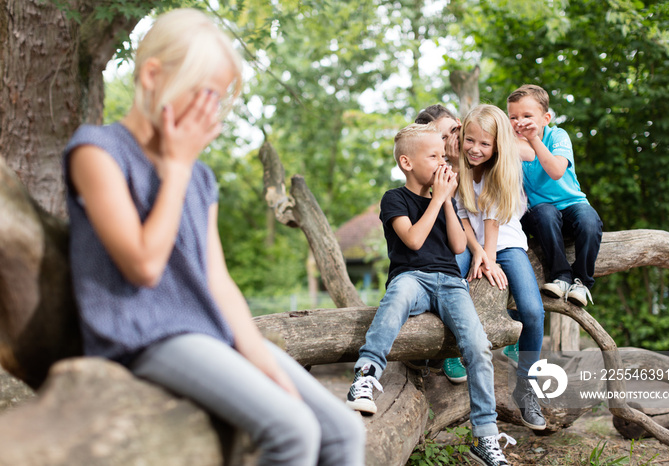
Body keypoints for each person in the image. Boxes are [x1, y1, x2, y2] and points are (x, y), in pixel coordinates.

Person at [63, 9, 364, 466]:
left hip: (208, 331)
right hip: (142, 335)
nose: (214, 111)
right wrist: (176, 167)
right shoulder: (98, 152)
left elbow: (218, 282)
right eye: (204, 93)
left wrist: (263, 361)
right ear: (152, 76)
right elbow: (143, 266)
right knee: (292, 431)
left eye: (220, 98)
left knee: (341, 430)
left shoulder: (200, 178)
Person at [346, 123, 515, 466]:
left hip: (451, 283)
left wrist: (447, 202)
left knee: (478, 346)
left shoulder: (446, 200)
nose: (444, 162)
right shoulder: (395, 198)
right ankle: (365, 376)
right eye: (434, 156)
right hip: (412, 277)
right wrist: (437, 199)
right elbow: (413, 240)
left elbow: (456, 245)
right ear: (407, 163)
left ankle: (484, 436)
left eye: (443, 155)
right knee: (394, 302)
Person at [454, 104, 547, 431]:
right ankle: (452, 352)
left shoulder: (502, 170)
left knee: (533, 312)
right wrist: (477, 252)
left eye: (484, 144)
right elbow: (462, 217)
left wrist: (489, 258)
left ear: (497, 147)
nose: (475, 150)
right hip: (468, 242)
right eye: (470, 140)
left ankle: (526, 385)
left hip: (504, 242)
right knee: (451, 276)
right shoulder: (458, 168)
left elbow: (492, 222)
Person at [507, 84, 603, 307]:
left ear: (545, 118)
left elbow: (556, 171)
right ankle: (561, 277)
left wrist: (534, 139)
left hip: (572, 204)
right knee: (544, 213)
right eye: (513, 116)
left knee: (589, 221)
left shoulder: (558, 135)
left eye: (527, 115)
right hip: (541, 215)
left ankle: (582, 282)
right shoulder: (510, 144)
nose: (519, 122)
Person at [413, 105, 468, 384]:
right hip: (457, 241)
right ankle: (450, 351)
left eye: (454, 131)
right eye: (443, 139)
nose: (453, 141)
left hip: (490, 237)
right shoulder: (437, 172)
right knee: (454, 265)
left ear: (460, 123)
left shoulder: (480, 153)